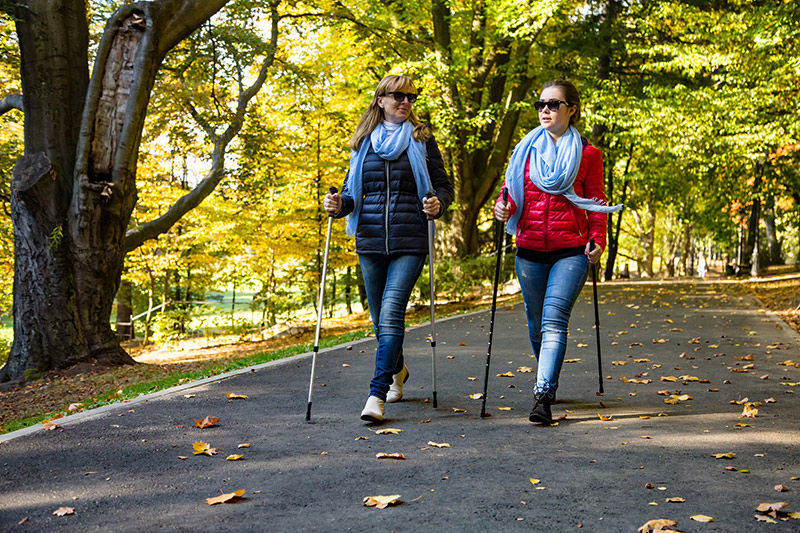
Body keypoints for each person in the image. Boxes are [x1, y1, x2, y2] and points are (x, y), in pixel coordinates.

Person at [324, 75, 453, 423]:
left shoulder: (422, 140)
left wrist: (437, 204)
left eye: (412, 96)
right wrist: (339, 204)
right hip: (368, 240)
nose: (406, 101)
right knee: (379, 320)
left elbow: (443, 187)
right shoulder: (362, 143)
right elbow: (352, 196)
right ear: (381, 100)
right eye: (399, 95)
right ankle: (399, 371)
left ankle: (375, 395)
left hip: (411, 238)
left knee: (392, 312)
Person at [494, 80, 623, 425]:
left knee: (554, 321)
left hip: (571, 251)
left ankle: (542, 395)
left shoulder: (588, 154)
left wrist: (598, 239)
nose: (545, 110)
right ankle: (546, 378)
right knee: (536, 326)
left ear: (572, 109)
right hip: (529, 249)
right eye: (540, 105)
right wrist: (502, 208)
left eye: (553, 104)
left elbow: (596, 201)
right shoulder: (525, 152)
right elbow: (509, 194)